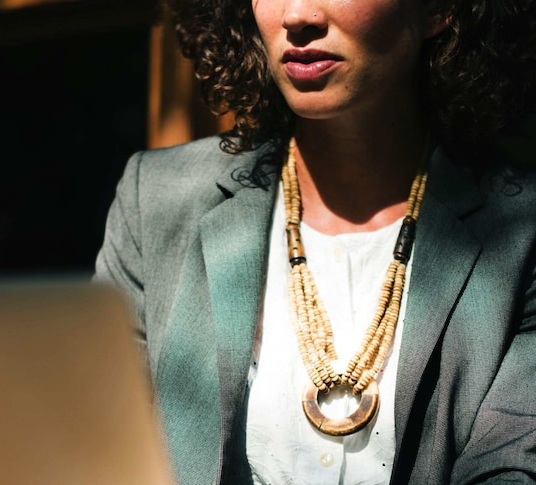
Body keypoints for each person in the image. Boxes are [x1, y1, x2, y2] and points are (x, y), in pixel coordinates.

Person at [95, 0, 536, 483]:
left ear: (438, 10)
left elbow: (511, 465)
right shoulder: (156, 199)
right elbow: (102, 444)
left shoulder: (521, 230)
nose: (297, 14)